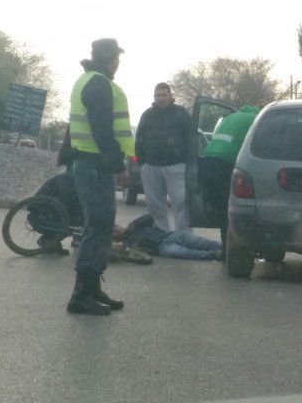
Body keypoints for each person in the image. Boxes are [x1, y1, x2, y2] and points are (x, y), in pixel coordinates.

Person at [66, 38, 133, 316]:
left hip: (89, 164)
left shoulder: (87, 80)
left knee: (101, 226)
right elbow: (102, 131)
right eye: (117, 58)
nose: (119, 63)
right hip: (94, 165)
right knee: (97, 226)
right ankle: (81, 295)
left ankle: (92, 288)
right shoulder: (98, 84)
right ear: (110, 59)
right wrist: (119, 167)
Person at [201, 105, 260, 251]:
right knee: (229, 208)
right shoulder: (256, 118)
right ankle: (229, 249)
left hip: (209, 158)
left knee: (220, 207)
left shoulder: (231, 116)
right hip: (226, 162)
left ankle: (225, 248)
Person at [134, 83, 191, 231]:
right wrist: (142, 163)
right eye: (158, 95)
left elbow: (190, 138)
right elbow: (139, 139)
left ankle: (184, 236)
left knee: (181, 203)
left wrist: (186, 160)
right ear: (154, 97)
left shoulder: (181, 113)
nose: (161, 98)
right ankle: (161, 235)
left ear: (170, 96)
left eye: (164, 95)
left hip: (176, 166)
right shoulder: (147, 115)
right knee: (154, 206)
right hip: (151, 166)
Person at [113, 214, 222, 260]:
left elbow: (149, 217)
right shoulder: (126, 244)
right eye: (114, 231)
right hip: (163, 247)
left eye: (116, 227)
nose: (117, 230)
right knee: (181, 252)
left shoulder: (134, 227)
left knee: (201, 242)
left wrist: (132, 226)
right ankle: (213, 255)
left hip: (172, 235)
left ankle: (225, 248)